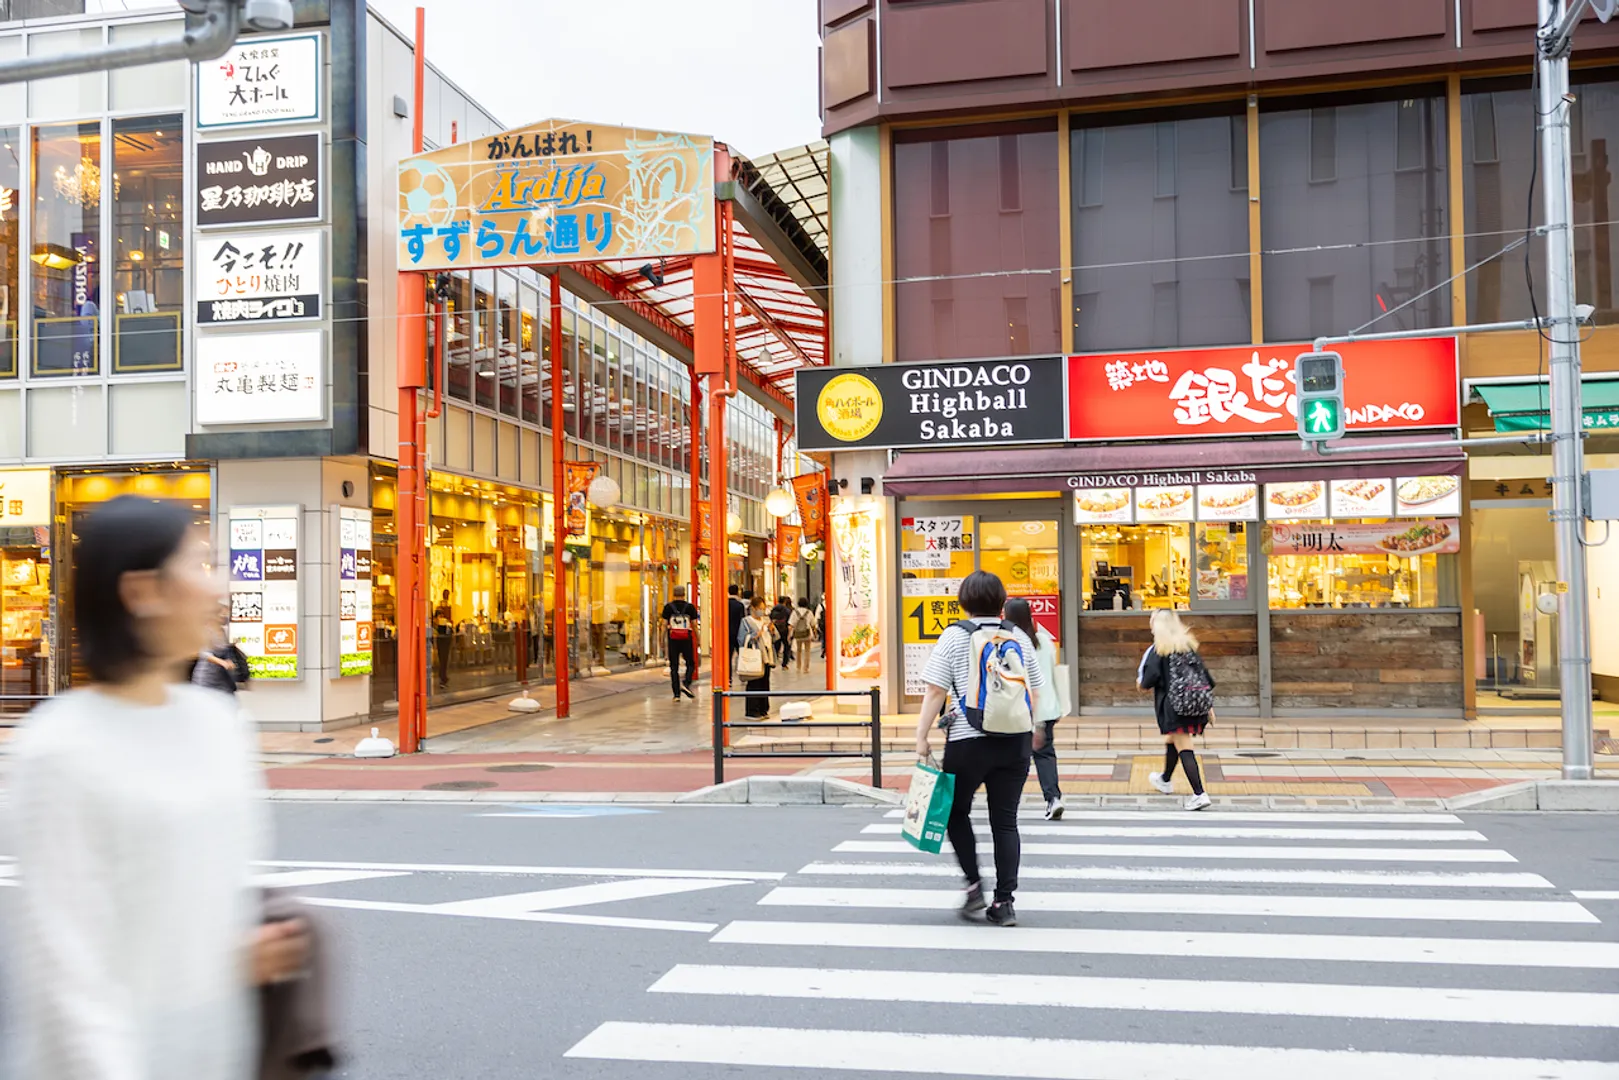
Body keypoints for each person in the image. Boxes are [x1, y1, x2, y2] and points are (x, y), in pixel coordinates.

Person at [7, 496, 309, 1079]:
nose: (219, 586)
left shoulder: (216, 726)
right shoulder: (59, 750)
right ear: (141, 592)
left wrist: (245, 955)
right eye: (198, 566)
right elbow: (69, 979)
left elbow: (206, 906)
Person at [915, 570, 1046, 927]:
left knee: (955, 812)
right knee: (1006, 821)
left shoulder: (955, 636)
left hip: (967, 740)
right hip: (1015, 740)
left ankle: (974, 886)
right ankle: (1004, 903)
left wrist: (921, 735)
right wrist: (1035, 729)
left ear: (964, 601)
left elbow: (935, 691)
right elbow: (1035, 689)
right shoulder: (1017, 635)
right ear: (1002, 602)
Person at [1139, 608, 1215, 811]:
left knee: (1184, 745)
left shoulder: (1160, 649)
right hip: (1194, 704)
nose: (1150, 624)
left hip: (1176, 707)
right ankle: (1165, 779)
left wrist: (1141, 684)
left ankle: (1199, 793)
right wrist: (1209, 706)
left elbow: (1148, 680)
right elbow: (1205, 677)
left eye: (1152, 620)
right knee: (1172, 739)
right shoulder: (1188, 646)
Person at [1004, 596, 1063, 820]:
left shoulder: (1010, 642)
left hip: (1020, 710)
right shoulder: (1044, 641)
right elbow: (1053, 674)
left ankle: (1008, 803)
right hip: (1047, 708)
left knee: (1014, 758)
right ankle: (1053, 798)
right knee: (1045, 755)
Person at [192, 606, 251, 697]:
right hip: (208, 677)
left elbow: (223, 649)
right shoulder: (207, 631)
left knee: (228, 703)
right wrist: (222, 662)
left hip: (223, 676)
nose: (225, 617)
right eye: (222, 614)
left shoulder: (224, 631)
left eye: (227, 614)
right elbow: (203, 653)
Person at [739, 595, 777, 718]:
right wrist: (756, 634)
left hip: (767, 654)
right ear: (754, 608)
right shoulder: (746, 621)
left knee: (765, 682)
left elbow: (775, 638)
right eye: (760, 608)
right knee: (754, 682)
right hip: (755, 655)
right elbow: (741, 639)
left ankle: (763, 709)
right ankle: (752, 710)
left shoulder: (765, 620)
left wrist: (772, 630)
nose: (762, 610)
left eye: (764, 608)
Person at [661, 585, 701, 701]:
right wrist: (698, 639)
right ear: (684, 594)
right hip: (686, 639)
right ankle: (686, 682)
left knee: (674, 667)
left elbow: (663, 625)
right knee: (691, 663)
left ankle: (676, 695)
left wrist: (661, 640)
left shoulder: (668, 607)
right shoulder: (690, 608)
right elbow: (694, 625)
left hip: (673, 639)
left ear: (673, 594)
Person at [790, 596, 818, 675]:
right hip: (807, 634)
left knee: (798, 650)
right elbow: (813, 624)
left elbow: (791, 624)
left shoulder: (794, 612)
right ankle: (806, 668)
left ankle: (798, 666)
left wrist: (789, 635)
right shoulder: (809, 612)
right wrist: (815, 633)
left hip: (798, 634)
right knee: (807, 651)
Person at [433, 588, 454, 690]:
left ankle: (443, 677)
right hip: (442, 640)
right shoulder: (438, 623)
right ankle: (442, 677)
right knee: (443, 659)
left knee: (444, 659)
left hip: (445, 640)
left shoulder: (446, 622)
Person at [727, 584, 746, 682]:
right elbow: (743, 619)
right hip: (738, 633)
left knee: (728, 657)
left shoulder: (724, 604)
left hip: (727, 633)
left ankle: (728, 678)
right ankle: (744, 674)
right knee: (742, 654)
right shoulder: (740, 605)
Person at [770, 596, 793, 667]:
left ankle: (774, 660)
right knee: (786, 646)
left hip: (776, 630)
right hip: (784, 630)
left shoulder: (774, 609)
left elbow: (770, 618)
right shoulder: (786, 610)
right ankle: (784, 663)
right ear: (785, 601)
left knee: (776, 645)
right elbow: (789, 621)